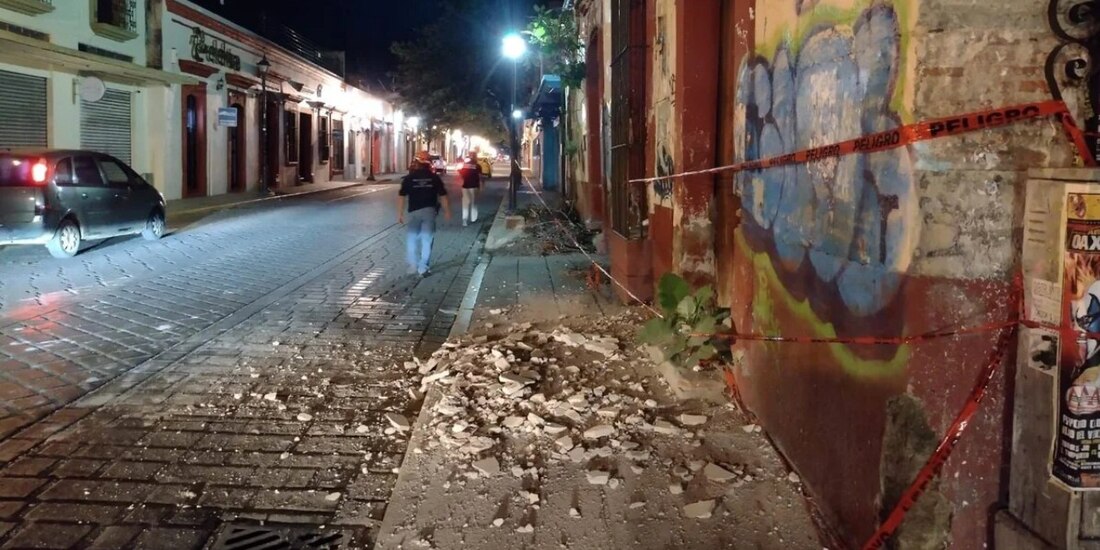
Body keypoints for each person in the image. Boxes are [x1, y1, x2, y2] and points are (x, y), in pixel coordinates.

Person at [398, 157, 451, 277]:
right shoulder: (434, 178)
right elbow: (443, 195)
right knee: (427, 239)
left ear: (417, 166)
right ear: (428, 167)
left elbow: (401, 196)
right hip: (429, 211)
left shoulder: (409, 178)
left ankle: (413, 264)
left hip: (413, 211)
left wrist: (400, 213)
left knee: (411, 238)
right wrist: (447, 210)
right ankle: (423, 267)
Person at [458, 150, 482, 226]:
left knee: (465, 203)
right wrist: (481, 186)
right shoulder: (477, 166)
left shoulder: (465, 165)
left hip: (465, 186)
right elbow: (480, 176)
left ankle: (464, 220)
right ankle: (473, 218)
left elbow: (461, 173)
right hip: (474, 186)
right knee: (474, 203)